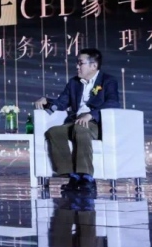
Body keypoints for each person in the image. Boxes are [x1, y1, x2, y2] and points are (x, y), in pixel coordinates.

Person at [34, 47, 120, 192]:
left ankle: (86, 177)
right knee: (54, 132)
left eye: (81, 63)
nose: (77, 66)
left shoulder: (108, 81)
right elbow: (62, 103)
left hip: (95, 122)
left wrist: (91, 114)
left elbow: (113, 103)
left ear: (93, 65)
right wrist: (46, 101)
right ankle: (71, 175)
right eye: (77, 63)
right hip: (75, 121)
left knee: (81, 128)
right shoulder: (74, 82)